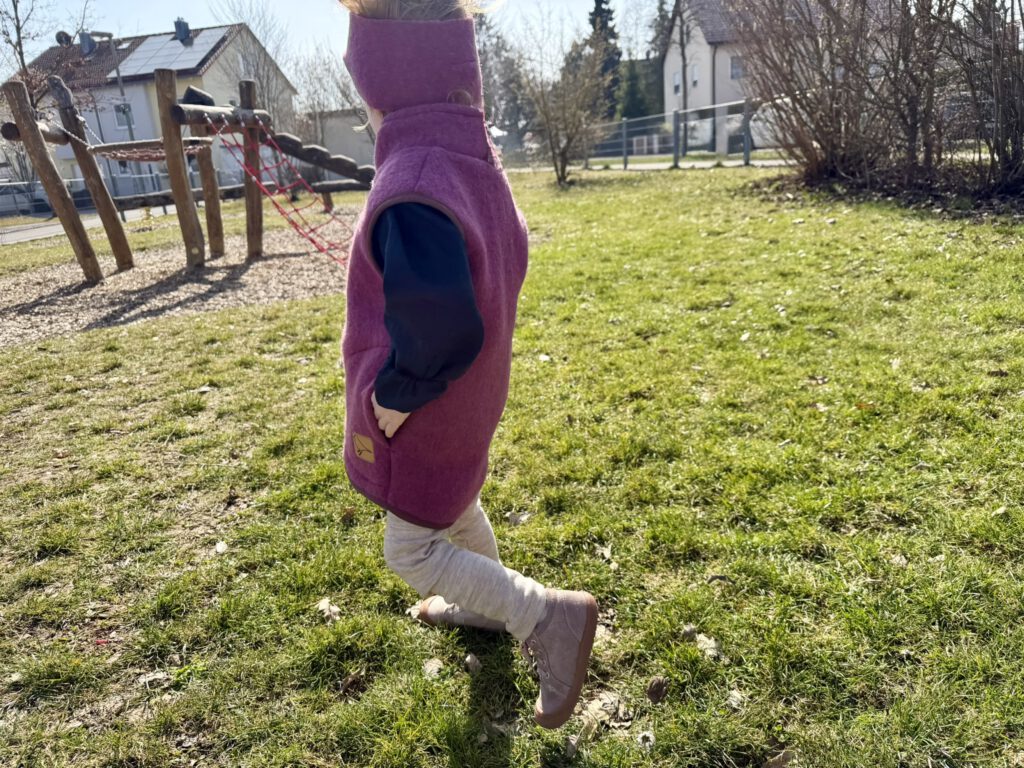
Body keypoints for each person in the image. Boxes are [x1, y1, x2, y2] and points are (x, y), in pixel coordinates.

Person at [338, 0, 597, 729]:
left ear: (384, 73)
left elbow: (441, 321)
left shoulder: (413, 179)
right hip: (473, 397)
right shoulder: (467, 155)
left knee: (412, 548)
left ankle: (545, 615)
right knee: (454, 502)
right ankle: (478, 607)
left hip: (428, 404)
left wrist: (396, 393)